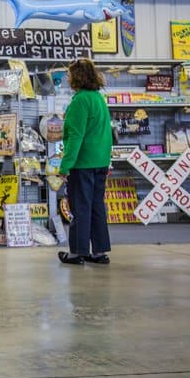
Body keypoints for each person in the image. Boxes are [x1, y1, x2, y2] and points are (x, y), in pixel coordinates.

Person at [58, 58, 113, 265]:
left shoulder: (80, 101)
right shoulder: (98, 98)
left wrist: (65, 166)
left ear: (77, 76)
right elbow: (106, 133)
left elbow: (76, 136)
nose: (68, 77)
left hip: (82, 164)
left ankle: (77, 252)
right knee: (97, 207)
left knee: (80, 207)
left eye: (70, 74)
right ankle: (99, 252)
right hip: (100, 162)